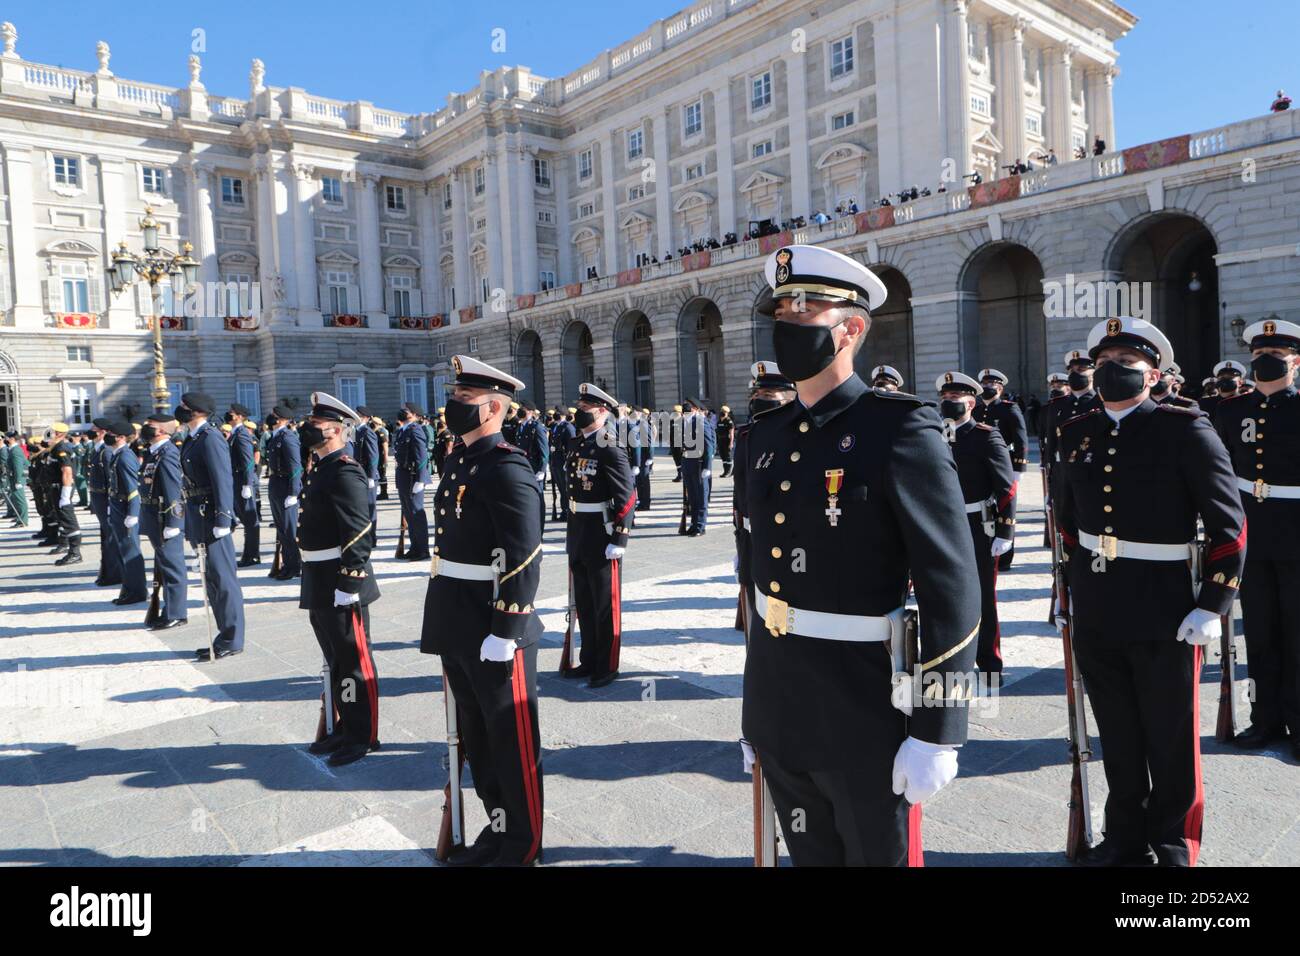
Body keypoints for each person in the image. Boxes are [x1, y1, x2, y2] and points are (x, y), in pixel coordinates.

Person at [741, 243, 981, 866]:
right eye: (782, 310)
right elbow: (758, 581)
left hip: (866, 704)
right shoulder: (761, 437)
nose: (787, 323)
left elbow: (950, 584)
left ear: (850, 328)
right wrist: (755, 709)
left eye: (806, 310)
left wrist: (939, 730)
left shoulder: (899, 428)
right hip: (782, 698)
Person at [1056, 316, 1245, 866]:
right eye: (1104, 365)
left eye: (1126, 366)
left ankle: (1172, 844)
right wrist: (1075, 587)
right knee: (1117, 732)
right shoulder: (1077, 430)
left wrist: (1213, 603)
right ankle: (1123, 839)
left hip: (1165, 606)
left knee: (1170, 736)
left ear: (1153, 374)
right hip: (1099, 603)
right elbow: (1067, 519)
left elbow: (1228, 527)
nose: (1112, 373)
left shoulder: (1185, 429)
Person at [419, 356, 544, 866]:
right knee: (478, 739)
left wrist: (507, 626)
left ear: (493, 408)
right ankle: (496, 831)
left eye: (465, 400)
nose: (455, 407)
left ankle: (521, 845)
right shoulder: (460, 459)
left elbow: (524, 552)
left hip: (493, 624)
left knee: (510, 744)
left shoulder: (507, 466)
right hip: (456, 617)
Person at [1213, 319, 1300, 758]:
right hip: (1252, 533)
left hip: (1297, 533)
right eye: (1260, 357)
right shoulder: (1230, 410)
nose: (1266, 364)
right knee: (1260, 631)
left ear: (1295, 362)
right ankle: (1264, 719)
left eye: (1277, 358)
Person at [298, 392, 382, 768]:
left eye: (314, 425)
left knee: (352, 662)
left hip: (339, 580)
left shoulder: (345, 469)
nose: (307, 429)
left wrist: (349, 583)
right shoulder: (322, 466)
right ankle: (344, 726)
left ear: (334, 430)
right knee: (334, 659)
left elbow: (359, 533)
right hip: (319, 576)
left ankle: (362, 735)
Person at [937, 372, 1017, 677]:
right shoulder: (935, 434)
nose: (947, 404)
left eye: (954, 399)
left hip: (976, 525)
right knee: (945, 594)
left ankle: (989, 663)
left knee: (983, 596)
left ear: (970, 403)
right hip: (943, 524)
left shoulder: (986, 436)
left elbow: (1006, 487)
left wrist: (1005, 530)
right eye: (944, 399)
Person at [564, 382, 636, 688]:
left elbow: (627, 496)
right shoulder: (577, 443)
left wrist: (620, 538)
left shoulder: (609, 445)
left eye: (585, 409)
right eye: (578, 408)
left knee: (605, 605)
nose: (579, 413)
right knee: (585, 601)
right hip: (579, 529)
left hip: (601, 533)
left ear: (602, 411)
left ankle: (606, 665)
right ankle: (589, 657)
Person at [180, 392, 246, 661]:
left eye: (185, 407)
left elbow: (222, 479)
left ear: (197, 411)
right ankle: (223, 635)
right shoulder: (193, 437)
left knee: (223, 579)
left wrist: (223, 517)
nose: (180, 409)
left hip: (211, 515)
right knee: (213, 581)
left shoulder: (210, 437)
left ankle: (232, 637)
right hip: (199, 514)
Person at [733, 361, 797, 630]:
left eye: (768, 396)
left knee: (782, 613)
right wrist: (740, 537)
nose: (758, 401)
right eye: (756, 395)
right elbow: (740, 492)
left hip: (790, 540)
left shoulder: (802, 435)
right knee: (752, 601)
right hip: (751, 536)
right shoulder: (747, 435)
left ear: (792, 396)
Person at [139, 413, 187, 629]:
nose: (145, 428)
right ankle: (168, 609)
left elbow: (173, 491)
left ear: (162, 430)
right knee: (164, 565)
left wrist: (174, 524)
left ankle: (176, 612)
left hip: (164, 518)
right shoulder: (154, 453)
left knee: (173, 566)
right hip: (154, 516)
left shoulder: (167, 454)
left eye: (150, 426)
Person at [105, 419, 146, 601]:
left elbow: (133, 488)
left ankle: (137, 592)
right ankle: (128, 589)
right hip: (118, 507)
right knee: (123, 550)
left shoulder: (126, 456)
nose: (108, 437)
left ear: (121, 437)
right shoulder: (118, 454)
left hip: (125, 509)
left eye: (112, 434)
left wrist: (133, 513)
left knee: (130, 551)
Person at [266, 406, 304, 579]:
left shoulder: (287, 437)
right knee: (281, 530)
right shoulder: (276, 437)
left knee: (289, 531)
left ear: (282, 419)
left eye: (274, 416)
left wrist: (293, 492)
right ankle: (287, 565)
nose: (271, 418)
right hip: (276, 484)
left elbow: (296, 467)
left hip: (285, 486)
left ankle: (294, 567)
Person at [394, 402, 432, 561]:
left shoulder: (415, 430)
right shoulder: (402, 431)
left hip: (412, 476)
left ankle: (422, 549)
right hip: (403, 476)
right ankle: (414, 546)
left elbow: (422, 456)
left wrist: (421, 480)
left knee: (416, 514)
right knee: (408, 514)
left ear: (415, 415)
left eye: (408, 411)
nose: (404, 412)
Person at [973, 368, 1030, 473]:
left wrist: (1019, 468)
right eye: (983, 384)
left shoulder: (1009, 408)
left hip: (1004, 461)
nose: (985, 387)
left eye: (990, 384)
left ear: (999, 389)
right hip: (980, 463)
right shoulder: (975, 411)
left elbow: (1020, 439)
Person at [227, 404, 261, 567]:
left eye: (232, 413)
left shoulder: (241, 435)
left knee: (250, 520)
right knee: (246, 519)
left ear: (240, 416)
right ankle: (248, 554)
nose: (229, 415)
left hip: (243, 479)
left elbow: (248, 462)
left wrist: (247, 483)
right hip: (237, 479)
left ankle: (252, 555)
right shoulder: (235, 434)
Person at [46, 422, 83, 565]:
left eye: (52, 432)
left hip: (62, 488)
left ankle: (75, 552)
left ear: (59, 434)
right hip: (56, 488)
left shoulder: (62, 448)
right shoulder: (55, 447)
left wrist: (65, 495)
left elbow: (67, 471)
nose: (49, 434)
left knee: (68, 519)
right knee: (63, 518)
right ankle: (69, 549)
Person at [681, 397, 715, 536]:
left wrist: (707, 466)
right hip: (688, 464)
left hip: (699, 465)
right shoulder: (685, 423)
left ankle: (700, 526)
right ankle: (694, 524)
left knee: (701, 497)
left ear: (695, 410)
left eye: (688, 410)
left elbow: (709, 445)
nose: (685, 413)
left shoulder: (701, 423)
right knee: (693, 498)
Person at [514, 402, 549, 536]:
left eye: (522, 409)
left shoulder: (537, 427)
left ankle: (539, 531)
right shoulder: (521, 426)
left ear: (530, 411)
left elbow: (544, 451)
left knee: (538, 499)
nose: (520, 411)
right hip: (523, 468)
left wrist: (542, 470)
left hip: (534, 469)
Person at [353, 405, 380, 547]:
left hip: (367, 475)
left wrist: (370, 476)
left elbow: (373, 456)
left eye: (358, 415)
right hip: (358, 474)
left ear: (365, 418)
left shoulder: (368, 432)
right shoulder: (355, 431)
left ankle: (371, 538)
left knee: (369, 508)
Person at [548, 409, 575, 521]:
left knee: (566, 489)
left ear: (564, 415)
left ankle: (568, 511)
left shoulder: (567, 427)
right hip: (556, 461)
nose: (556, 415)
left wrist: (568, 461)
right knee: (561, 489)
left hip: (563, 461)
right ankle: (564, 510)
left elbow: (572, 446)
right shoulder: (557, 426)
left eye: (559, 413)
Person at [628, 406, 655, 510]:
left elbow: (650, 441)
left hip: (644, 456)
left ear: (638, 413)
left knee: (644, 480)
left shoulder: (643, 423)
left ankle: (646, 502)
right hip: (639, 457)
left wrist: (650, 457)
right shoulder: (635, 424)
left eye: (634, 411)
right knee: (639, 481)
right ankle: (642, 501)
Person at [4, 432, 28, 528]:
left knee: (19, 499)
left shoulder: (15, 450)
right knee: (16, 499)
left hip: (17, 478)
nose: (5, 439)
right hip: (14, 477)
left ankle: (23, 520)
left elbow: (18, 466)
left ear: (12, 439)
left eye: (7, 438)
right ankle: (20, 518)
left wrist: (18, 481)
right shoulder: (12, 449)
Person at [374, 416, 390, 499]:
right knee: (380, 474)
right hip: (378, 455)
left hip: (381, 456)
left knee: (382, 474)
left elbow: (385, 444)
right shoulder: (376, 431)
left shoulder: (380, 431)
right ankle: (382, 492)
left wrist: (386, 457)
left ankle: (384, 493)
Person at [717, 405, 735, 478]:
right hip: (720, 440)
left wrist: (731, 443)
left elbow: (731, 433)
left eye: (724, 412)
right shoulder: (719, 421)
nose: (722, 413)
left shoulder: (729, 421)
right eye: (722, 411)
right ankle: (725, 471)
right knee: (723, 456)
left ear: (727, 413)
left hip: (727, 440)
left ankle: (728, 472)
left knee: (727, 456)